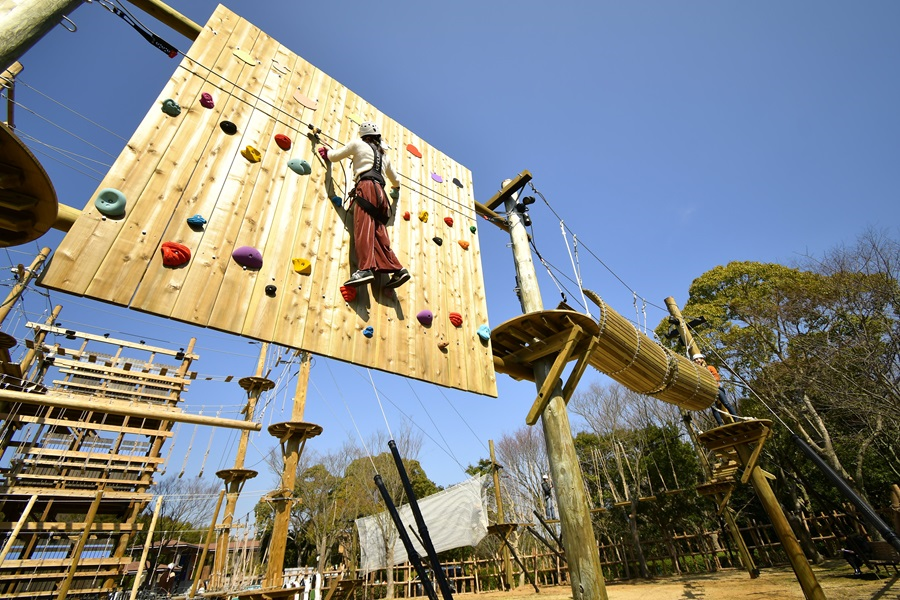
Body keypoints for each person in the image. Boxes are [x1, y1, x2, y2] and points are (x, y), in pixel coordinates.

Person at [318, 122, 410, 289]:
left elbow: (334, 156)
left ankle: (365, 269)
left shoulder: (357, 144)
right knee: (379, 232)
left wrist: (327, 153)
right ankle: (398, 269)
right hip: (381, 194)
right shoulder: (385, 156)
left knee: (363, 228)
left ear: (363, 135)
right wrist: (395, 190)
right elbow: (396, 180)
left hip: (366, 186)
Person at [693, 353, 738, 425]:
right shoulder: (696, 371)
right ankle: (720, 423)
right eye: (696, 360)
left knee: (726, 403)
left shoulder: (710, 368)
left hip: (715, 387)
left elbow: (717, 377)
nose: (697, 360)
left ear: (702, 360)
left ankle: (736, 418)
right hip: (707, 390)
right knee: (714, 408)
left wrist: (710, 381)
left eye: (698, 359)